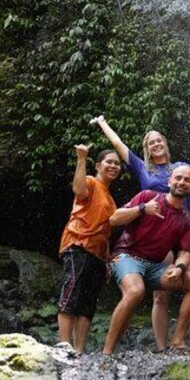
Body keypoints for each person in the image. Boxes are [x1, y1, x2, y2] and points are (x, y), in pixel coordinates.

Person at [92, 115, 190, 350]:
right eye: (151, 142)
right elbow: (119, 145)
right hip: (146, 238)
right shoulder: (142, 169)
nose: (156, 144)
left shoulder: (182, 168)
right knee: (156, 294)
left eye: (159, 140)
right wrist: (103, 123)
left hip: (179, 230)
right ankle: (160, 347)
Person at [102, 166, 190, 354]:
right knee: (135, 291)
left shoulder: (187, 221)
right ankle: (106, 353)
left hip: (154, 267)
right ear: (169, 181)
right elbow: (114, 219)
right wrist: (142, 209)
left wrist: (181, 268)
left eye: (187, 180)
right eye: (178, 178)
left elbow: (184, 251)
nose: (182, 182)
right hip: (126, 256)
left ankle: (177, 341)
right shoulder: (148, 196)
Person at [56, 146, 122, 354]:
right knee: (71, 294)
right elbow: (79, 190)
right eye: (109, 162)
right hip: (78, 245)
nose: (113, 166)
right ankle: (64, 345)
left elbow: (107, 231)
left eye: (117, 163)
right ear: (98, 165)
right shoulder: (92, 182)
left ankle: (79, 350)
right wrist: (81, 159)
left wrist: (108, 259)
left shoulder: (110, 199)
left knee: (87, 303)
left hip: (97, 254)